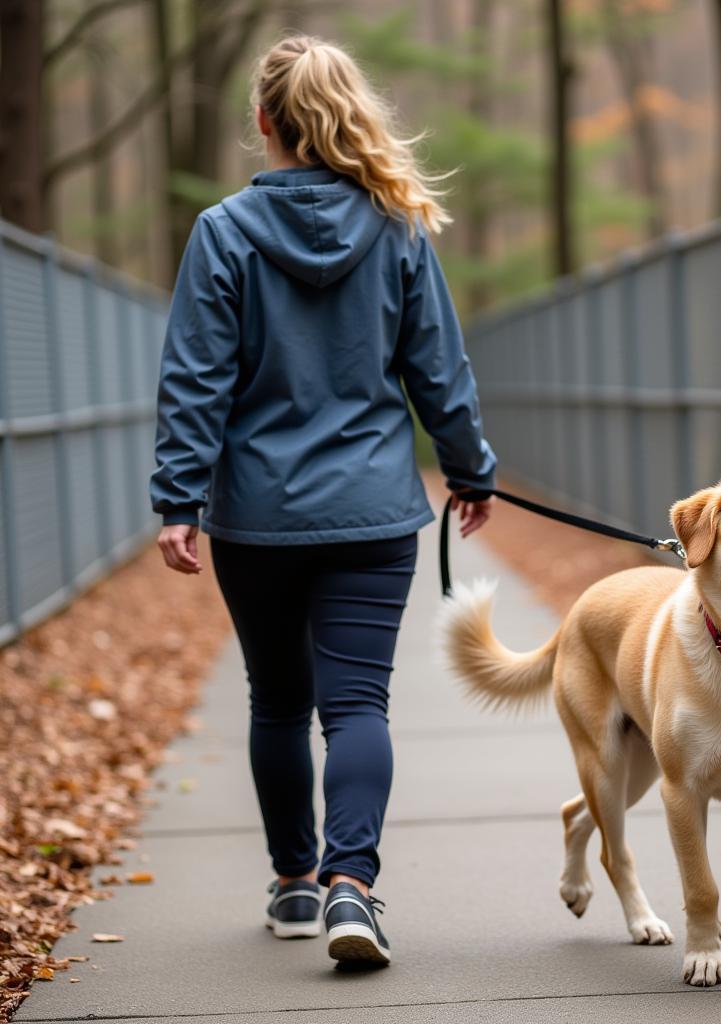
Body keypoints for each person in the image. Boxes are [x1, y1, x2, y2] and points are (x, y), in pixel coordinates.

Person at [149, 33, 496, 967]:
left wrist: (178, 499)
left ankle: (297, 885)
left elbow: (195, 379)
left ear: (262, 121)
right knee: (357, 707)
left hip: (256, 515)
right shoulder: (397, 228)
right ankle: (355, 888)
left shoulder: (222, 232)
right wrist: (471, 469)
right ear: (351, 114)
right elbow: (440, 374)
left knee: (275, 702)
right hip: (373, 512)